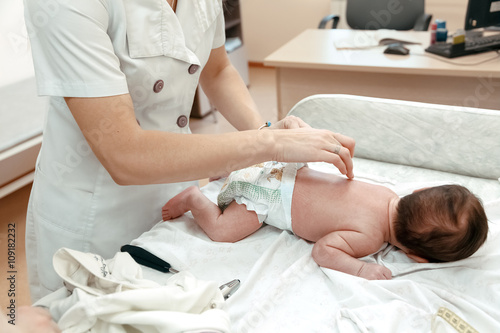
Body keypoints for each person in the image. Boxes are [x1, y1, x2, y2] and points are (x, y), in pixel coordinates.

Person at [23, 0, 355, 301]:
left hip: (173, 195)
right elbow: (124, 154)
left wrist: (262, 130)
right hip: (95, 216)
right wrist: (270, 143)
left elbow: (217, 69)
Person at [162, 162, 488, 280]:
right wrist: (361, 267)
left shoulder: (386, 193)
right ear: (417, 256)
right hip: (269, 194)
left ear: (419, 190)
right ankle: (194, 199)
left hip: (280, 166)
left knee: (245, 175)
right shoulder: (370, 238)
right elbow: (323, 251)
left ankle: (228, 171)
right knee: (222, 232)